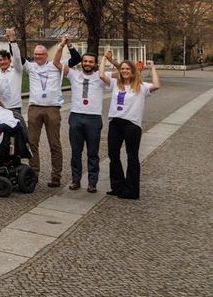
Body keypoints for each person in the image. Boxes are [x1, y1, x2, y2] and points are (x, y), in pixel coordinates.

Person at [54, 37, 110, 193]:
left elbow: (124, 73)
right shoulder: (74, 74)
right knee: (76, 152)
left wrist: (108, 60)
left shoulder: (100, 76)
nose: (87, 64)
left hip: (93, 118)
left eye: (91, 62)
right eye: (85, 61)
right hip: (76, 116)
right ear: (82, 62)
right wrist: (62, 45)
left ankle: (92, 182)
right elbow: (57, 64)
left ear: (95, 64)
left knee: (93, 153)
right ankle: (76, 180)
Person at [104, 57, 160, 200]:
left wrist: (152, 67)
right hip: (115, 123)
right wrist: (106, 59)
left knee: (132, 156)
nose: (124, 71)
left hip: (132, 125)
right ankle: (117, 186)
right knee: (113, 155)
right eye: (122, 69)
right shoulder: (116, 84)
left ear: (133, 71)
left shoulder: (141, 86)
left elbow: (156, 85)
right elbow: (101, 75)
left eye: (127, 69)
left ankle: (131, 190)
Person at [24, 40, 64, 187]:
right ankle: (34, 173)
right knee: (32, 142)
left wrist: (66, 45)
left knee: (55, 143)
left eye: (40, 54)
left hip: (52, 108)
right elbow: (17, 57)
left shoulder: (55, 65)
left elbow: (75, 60)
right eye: (35, 54)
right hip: (35, 108)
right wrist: (12, 41)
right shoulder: (31, 67)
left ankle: (56, 176)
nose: (37, 56)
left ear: (46, 55)